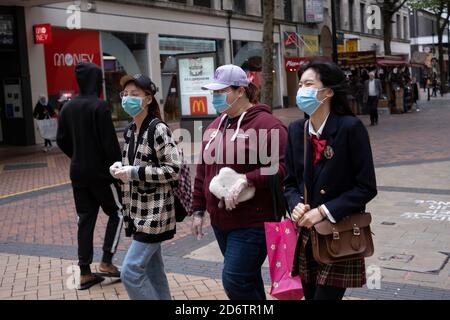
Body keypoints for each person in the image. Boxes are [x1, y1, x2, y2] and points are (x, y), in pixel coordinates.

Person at [191, 64, 288, 300]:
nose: (215, 97)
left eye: (221, 91)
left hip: (253, 221)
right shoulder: (215, 125)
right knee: (248, 279)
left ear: (241, 90)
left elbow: (285, 168)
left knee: (234, 278)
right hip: (220, 221)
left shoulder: (268, 125)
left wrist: (248, 179)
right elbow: (203, 170)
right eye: (213, 92)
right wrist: (198, 209)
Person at [284, 61, 377, 300]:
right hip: (306, 234)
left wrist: (323, 211)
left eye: (309, 84)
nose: (301, 90)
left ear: (328, 91)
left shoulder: (350, 128)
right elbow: (289, 182)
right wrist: (295, 205)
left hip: (339, 233)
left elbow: (366, 187)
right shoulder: (296, 130)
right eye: (300, 84)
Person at [110, 74, 181, 300]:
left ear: (148, 98)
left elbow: (173, 169)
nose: (127, 99)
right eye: (125, 94)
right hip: (138, 212)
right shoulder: (131, 130)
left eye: (135, 95)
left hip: (155, 215)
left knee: (130, 271)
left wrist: (132, 172)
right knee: (153, 270)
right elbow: (138, 165)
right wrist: (121, 168)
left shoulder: (157, 129)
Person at [56, 62, 123, 290]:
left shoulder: (67, 107)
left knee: (85, 219)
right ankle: (107, 261)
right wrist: (118, 171)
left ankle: (84, 272)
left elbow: (61, 140)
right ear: (96, 81)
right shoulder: (100, 106)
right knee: (117, 213)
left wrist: (77, 156)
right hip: (101, 174)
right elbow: (110, 145)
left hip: (78, 174)